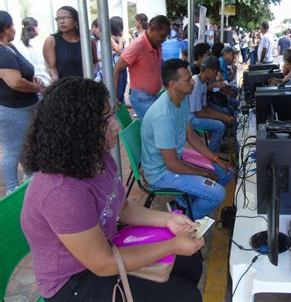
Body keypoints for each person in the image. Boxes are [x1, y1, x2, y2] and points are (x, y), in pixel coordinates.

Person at [21, 77, 204, 301]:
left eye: (112, 114)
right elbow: (103, 263)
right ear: (78, 129)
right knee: (186, 296)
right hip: (74, 281)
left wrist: (167, 220)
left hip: (105, 250)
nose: (117, 125)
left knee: (190, 262)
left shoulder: (98, 158)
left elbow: (121, 207)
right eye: (106, 120)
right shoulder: (61, 192)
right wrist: (172, 245)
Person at [142, 59, 234, 219]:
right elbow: (171, 164)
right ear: (173, 84)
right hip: (161, 173)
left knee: (226, 173)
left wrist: (215, 158)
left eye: (191, 78)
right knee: (218, 193)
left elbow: (190, 135)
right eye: (188, 80)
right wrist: (202, 173)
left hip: (175, 162)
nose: (193, 82)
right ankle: (185, 218)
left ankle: (184, 204)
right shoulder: (163, 115)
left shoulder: (181, 99)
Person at [0, 10, 42, 195]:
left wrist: (35, 82)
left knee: (27, 145)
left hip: (27, 106)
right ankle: (12, 189)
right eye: (12, 25)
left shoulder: (9, 47)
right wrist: (38, 88)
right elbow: (15, 82)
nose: (15, 29)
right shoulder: (1, 52)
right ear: (6, 28)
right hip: (12, 109)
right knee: (13, 150)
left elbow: (25, 72)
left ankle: (30, 180)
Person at [113, 15, 170, 119]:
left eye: (166, 36)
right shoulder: (137, 45)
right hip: (141, 97)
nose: (164, 40)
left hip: (152, 95)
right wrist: (115, 95)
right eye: (162, 36)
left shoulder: (157, 44)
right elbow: (117, 68)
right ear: (152, 30)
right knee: (158, 124)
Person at [189, 56, 233, 153]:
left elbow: (205, 107)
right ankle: (212, 156)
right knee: (219, 126)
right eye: (216, 71)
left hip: (196, 114)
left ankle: (216, 146)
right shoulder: (195, 84)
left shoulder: (203, 83)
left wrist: (223, 116)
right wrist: (222, 117)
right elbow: (198, 113)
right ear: (208, 70)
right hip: (189, 118)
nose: (217, 74)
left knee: (224, 115)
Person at [43, 6, 98, 81]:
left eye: (65, 18)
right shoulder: (51, 40)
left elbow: (95, 62)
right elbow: (51, 67)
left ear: (76, 20)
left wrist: (91, 77)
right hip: (63, 86)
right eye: (58, 19)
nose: (61, 21)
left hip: (85, 85)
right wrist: (55, 79)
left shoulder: (88, 41)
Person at [14, 16, 51, 87]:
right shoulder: (43, 43)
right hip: (47, 83)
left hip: (29, 85)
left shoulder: (17, 46)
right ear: (35, 28)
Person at [110, 16, 127, 104]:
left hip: (123, 65)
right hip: (116, 67)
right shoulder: (110, 38)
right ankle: (117, 111)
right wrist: (120, 39)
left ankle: (122, 107)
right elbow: (119, 50)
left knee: (123, 90)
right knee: (118, 92)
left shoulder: (118, 38)